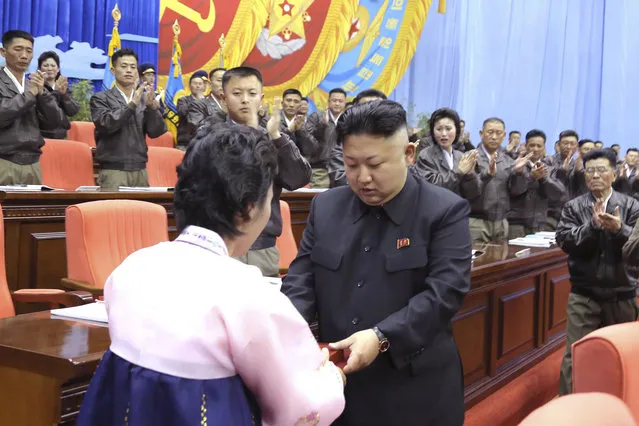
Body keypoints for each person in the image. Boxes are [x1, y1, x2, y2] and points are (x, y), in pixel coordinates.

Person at [76, 124, 345, 426]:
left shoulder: (132, 267)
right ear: (248, 209)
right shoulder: (249, 295)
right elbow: (298, 406)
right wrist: (333, 378)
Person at [282, 100, 470, 426]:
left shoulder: (444, 211)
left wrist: (382, 336)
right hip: (339, 387)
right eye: (351, 164)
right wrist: (283, 332)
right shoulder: (326, 207)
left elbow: (444, 294)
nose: (362, 178)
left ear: (409, 154)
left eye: (374, 164)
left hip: (414, 389)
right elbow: (302, 279)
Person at [555, 148, 639, 395]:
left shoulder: (632, 206)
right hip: (584, 294)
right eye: (590, 171)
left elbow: (636, 249)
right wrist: (591, 227)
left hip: (621, 293)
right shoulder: (574, 207)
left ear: (614, 174)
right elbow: (565, 241)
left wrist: (619, 230)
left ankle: (617, 407)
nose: (594, 176)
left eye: (601, 170)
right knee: (575, 355)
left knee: (620, 355)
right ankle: (569, 407)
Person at [218, 67, 311, 277]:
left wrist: (275, 136)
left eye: (251, 94)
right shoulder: (210, 134)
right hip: (223, 242)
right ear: (223, 98)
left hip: (263, 245)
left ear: (261, 98)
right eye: (237, 93)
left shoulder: (273, 134)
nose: (245, 100)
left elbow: (298, 178)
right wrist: (253, 134)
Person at [90, 48, 167, 189]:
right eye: (124, 66)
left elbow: (157, 131)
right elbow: (107, 124)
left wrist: (151, 108)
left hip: (140, 169)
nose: (129, 70)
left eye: (133, 67)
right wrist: (132, 105)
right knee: (114, 210)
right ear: (113, 71)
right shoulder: (100, 98)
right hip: (114, 170)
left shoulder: (144, 99)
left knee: (141, 210)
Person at [0, 30, 65, 184]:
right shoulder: (29, 88)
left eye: (29, 51)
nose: (24, 55)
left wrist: (43, 95)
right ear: (3, 52)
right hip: (3, 160)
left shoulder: (34, 84)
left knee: (32, 208)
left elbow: (56, 124)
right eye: (18, 49)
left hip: (33, 162)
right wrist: (30, 95)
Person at [470, 117, 528, 242]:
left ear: (504, 136)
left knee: (500, 260)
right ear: (481, 134)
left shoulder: (509, 160)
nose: (494, 137)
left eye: (498, 133)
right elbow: (468, 189)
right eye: (490, 132)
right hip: (476, 221)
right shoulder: (471, 157)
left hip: (501, 221)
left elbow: (516, 192)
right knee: (477, 260)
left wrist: (519, 174)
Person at [507, 129, 566, 238]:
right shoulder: (515, 165)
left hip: (541, 223)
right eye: (532, 145)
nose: (535, 149)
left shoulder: (550, 168)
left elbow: (558, 195)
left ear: (544, 147)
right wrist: (529, 177)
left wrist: (543, 179)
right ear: (525, 146)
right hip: (516, 224)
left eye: (539, 146)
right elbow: (515, 191)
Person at [412, 107, 480, 200]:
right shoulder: (426, 155)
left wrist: (470, 175)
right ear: (432, 131)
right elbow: (431, 187)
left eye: (448, 129)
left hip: (456, 210)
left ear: (456, 131)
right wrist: (458, 172)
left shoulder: (460, 156)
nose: (444, 133)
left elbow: (472, 194)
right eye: (439, 129)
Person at [327, 88, 387, 188]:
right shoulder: (342, 145)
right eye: (364, 108)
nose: (371, 112)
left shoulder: (395, 141)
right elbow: (340, 180)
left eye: (376, 107)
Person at [37, 51, 80, 139]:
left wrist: (64, 95)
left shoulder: (64, 88)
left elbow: (73, 111)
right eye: (46, 65)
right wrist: (56, 92)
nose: (49, 69)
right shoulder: (36, 88)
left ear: (58, 69)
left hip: (62, 135)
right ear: (39, 68)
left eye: (53, 66)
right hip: (42, 135)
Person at [176, 70, 212, 148]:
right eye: (195, 83)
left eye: (200, 84)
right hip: (186, 142)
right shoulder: (183, 100)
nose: (198, 86)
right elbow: (182, 113)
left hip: (205, 142)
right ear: (190, 85)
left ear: (204, 87)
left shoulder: (210, 101)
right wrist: (197, 101)